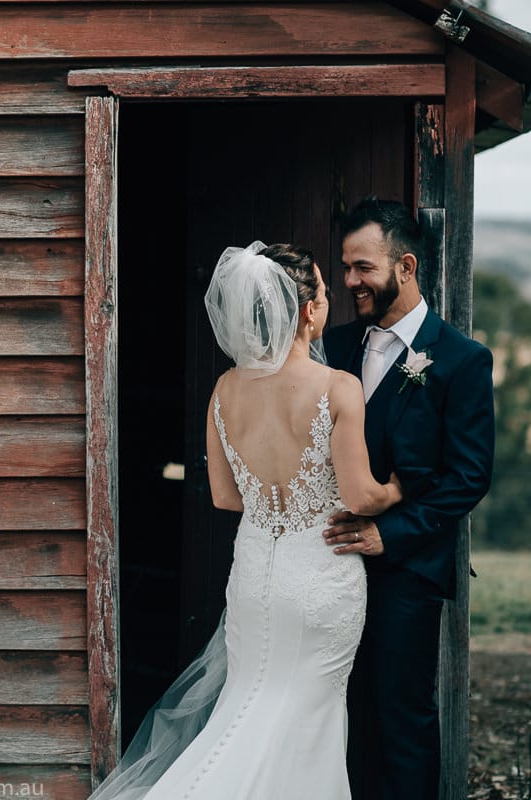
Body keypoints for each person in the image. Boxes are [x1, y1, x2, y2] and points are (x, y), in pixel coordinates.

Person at [91, 241, 403, 800]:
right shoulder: (338, 387)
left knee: (248, 703)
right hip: (319, 575)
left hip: (254, 573)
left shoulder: (225, 389)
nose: (331, 299)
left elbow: (225, 497)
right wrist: (396, 489)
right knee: (307, 717)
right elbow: (359, 495)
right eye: (325, 292)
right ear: (307, 310)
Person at [321, 197, 495, 800]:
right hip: (328, 567)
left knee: (402, 720)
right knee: (338, 719)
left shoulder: (461, 361)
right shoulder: (333, 347)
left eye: (362, 267)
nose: (350, 281)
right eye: (345, 268)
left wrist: (388, 533)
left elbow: (467, 477)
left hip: (408, 572)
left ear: (406, 266)